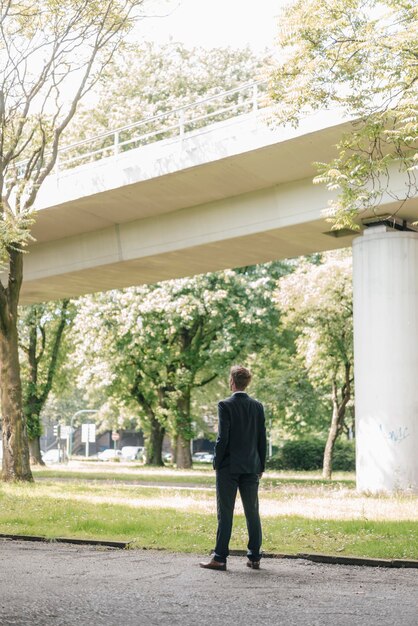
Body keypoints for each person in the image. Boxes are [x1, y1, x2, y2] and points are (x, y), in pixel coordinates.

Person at [200, 364, 267, 571]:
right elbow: (261, 439)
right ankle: (254, 556)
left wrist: (216, 462)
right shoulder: (257, 406)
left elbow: (223, 438)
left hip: (228, 467)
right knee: (252, 512)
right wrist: (261, 465)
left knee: (226, 513)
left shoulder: (225, 405)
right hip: (251, 466)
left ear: (232, 382)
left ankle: (220, 557)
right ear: (247, 383)